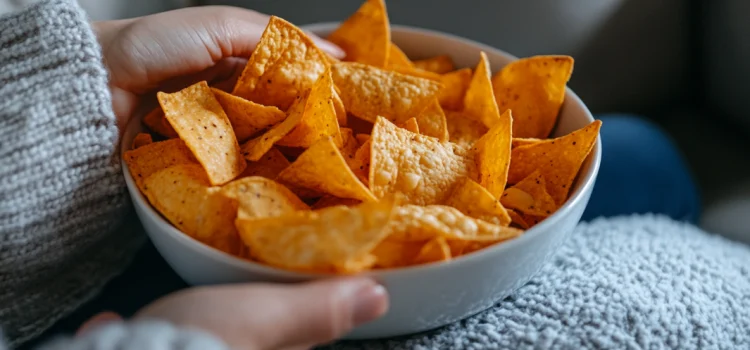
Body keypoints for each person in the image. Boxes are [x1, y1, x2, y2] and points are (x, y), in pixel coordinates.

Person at [0, 0, 738, 349]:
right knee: (654, 167)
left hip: (56, 222)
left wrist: (83, 68)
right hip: (166, 299)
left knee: (641, 154)